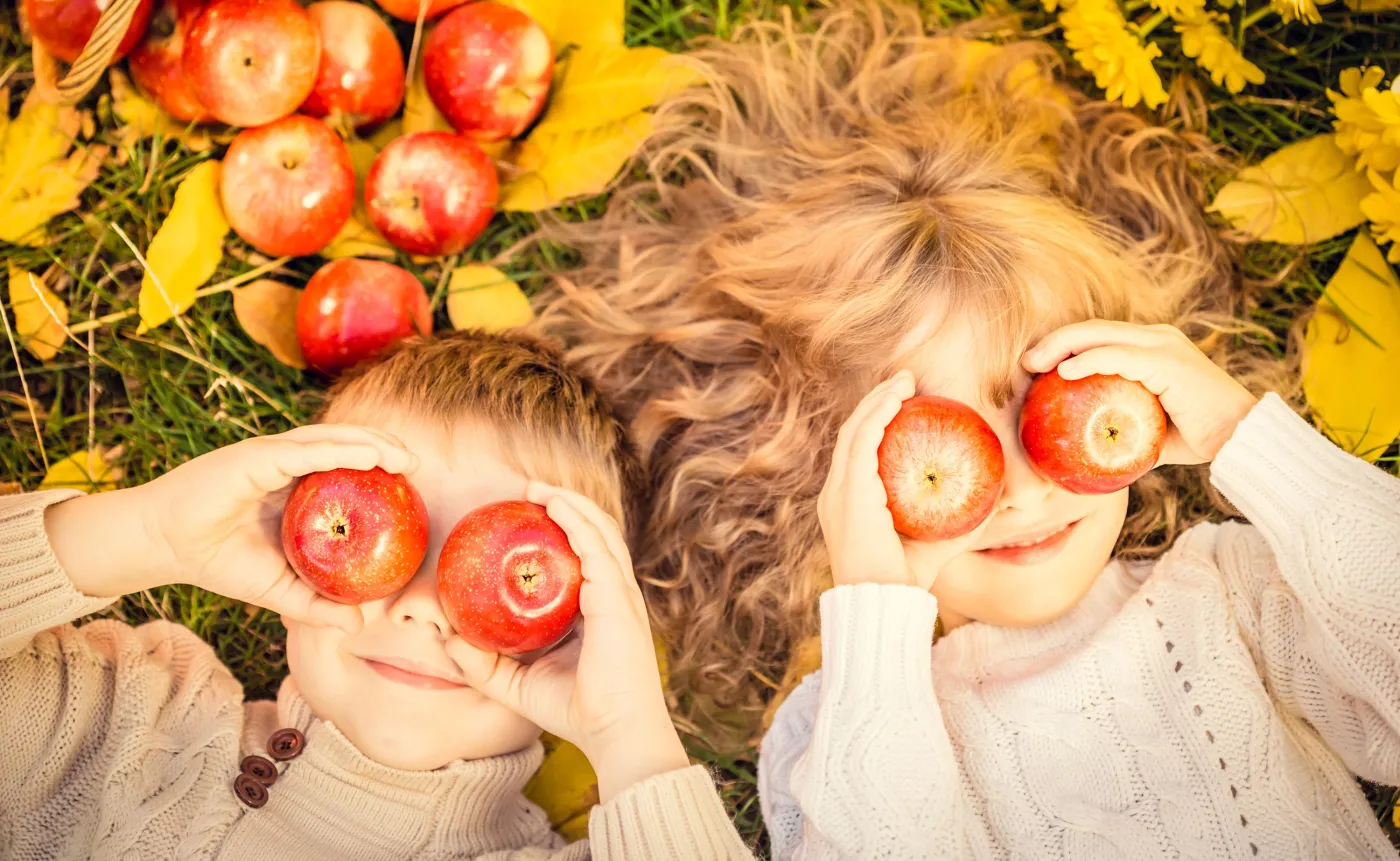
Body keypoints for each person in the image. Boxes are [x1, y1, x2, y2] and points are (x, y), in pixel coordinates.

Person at [534, 2, 1400, 857]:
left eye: (1046, 403)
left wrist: (1248, 438)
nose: (1022, 490)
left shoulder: (1231, 593)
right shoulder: (835, 731)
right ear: (831, 477)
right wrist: (876, 618)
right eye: (950, 444)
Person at [0, 330, 754, 860]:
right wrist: (151, 533)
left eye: (489, 573)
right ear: (292, 535)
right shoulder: (133, 721)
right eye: (392, 548)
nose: (423, 606)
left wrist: (630, 737)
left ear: (586, 623)